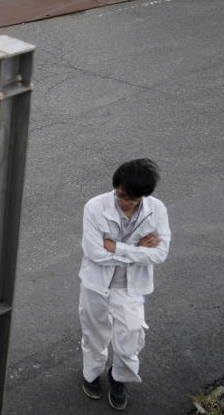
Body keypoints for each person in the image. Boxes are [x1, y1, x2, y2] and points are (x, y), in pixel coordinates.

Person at [78, 158, 171, 411]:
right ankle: (91, 373)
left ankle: (118, 377)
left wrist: (118, 248)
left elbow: (160, 254)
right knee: (94, 332)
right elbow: (95, 252)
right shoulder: (95, 207)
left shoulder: (157, 210)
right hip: (96, 283)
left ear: (144, 196)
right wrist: (138, 251)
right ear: (116, 186)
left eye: (131, 198)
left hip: (131, 288)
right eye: (120, 195)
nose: (124, 202)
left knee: (131, 336)